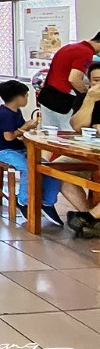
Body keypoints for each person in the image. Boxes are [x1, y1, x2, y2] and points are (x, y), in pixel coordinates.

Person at [0, 79, 62, 226]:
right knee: (27, 167)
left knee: (50, 167)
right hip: (3, 150)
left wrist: (30, 130)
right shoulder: (4, 114)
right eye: (26, 96)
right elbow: (9, 137)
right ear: (17, 97)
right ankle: (23, 200)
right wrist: (25, 127)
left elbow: (19, 135)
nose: (27, 99)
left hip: (19, 148)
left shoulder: (16, 112)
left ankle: (47, 202)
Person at [61, 62, 100, 237]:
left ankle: (89, 219)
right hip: (88, 152)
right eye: (96, 80)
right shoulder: (84, 97)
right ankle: (92, 220)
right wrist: (90, 100)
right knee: (59, 171)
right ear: (89, 82)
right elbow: (77, 125)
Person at [37, 32, 100, 130]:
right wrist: (87, 96)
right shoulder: (86, 52)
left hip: (49, 95)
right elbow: (74, 79)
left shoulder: (70, 47)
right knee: (68, 135)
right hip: (65, 99)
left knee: (49, 134)